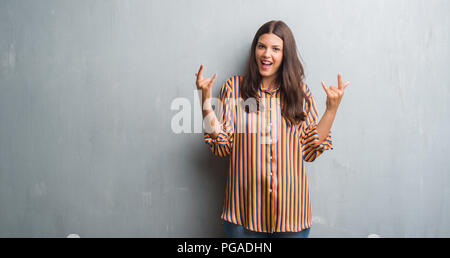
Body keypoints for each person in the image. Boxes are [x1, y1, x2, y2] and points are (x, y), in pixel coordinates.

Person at [195, 20, 349, 238]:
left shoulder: (300, 93)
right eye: (261, 46)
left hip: (292, 217)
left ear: (285, 55)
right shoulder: (234, 88)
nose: (267, 54)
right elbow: (222, 145)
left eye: (275, 49)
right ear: (254, 50)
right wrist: (205, 102)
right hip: (243, 217)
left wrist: (331, 110)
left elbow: (310, 149)